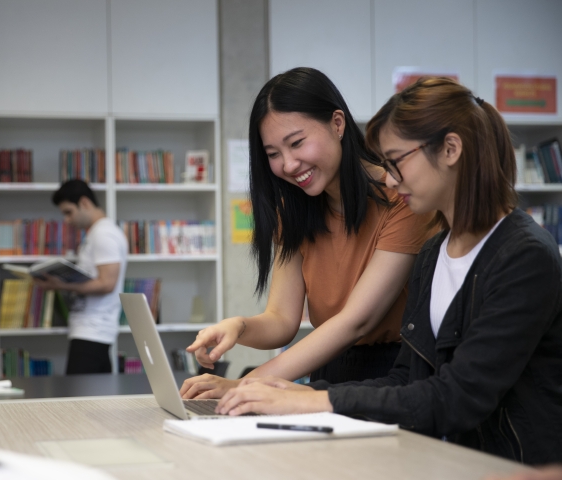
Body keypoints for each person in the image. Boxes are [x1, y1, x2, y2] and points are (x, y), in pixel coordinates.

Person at [214, 77, 562, 465]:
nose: (391, 180)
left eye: (396, 162)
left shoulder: (524, 256)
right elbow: (410, 379)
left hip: (511, 466)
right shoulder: (435, 253)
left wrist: (311, 398)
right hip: (448, 456)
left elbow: (456, 396)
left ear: (450, 149)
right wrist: (293, 394)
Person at [180, 67, 435, 399]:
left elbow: (355, 321)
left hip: (393, 378)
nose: (288, 164)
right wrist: (239, 327)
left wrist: (244, 385)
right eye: (273, 154)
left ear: (338, 123)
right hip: (328, 369)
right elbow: (282, 319)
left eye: (297, 143)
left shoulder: (403, 199)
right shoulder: (296, 211)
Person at [34, 179, 128, 374]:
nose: (67, 220)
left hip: (93, 331)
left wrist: (61, 285)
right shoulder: (96, 234)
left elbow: (107, 283)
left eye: (69, 212)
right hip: (89, 330)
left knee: (79, 399)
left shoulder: (104, 234)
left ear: (84, 203)